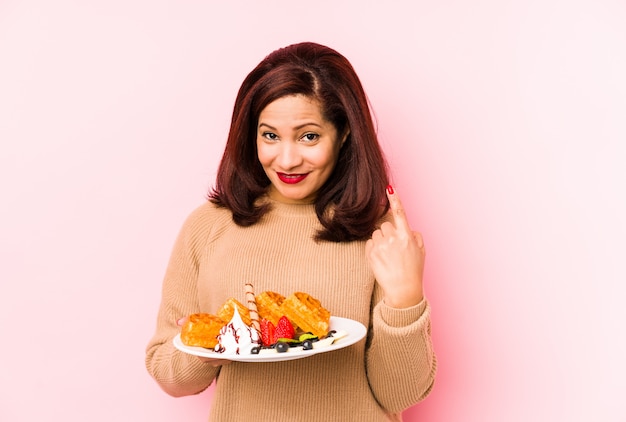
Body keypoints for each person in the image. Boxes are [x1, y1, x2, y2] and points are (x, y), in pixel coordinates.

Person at [145, 41, 436, 421]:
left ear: (344, 133)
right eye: (270, 136)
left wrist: (405, 297)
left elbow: (400, 394)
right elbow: (168, 375)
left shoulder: (380, 236)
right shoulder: (208, 227)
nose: (286, 159)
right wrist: (208, 342)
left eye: (308, 136)